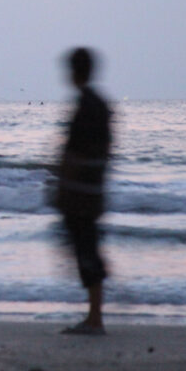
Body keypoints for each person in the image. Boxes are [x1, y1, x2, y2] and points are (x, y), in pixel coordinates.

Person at [54, 48, 111, 336]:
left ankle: (94, 319)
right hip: (94, 190)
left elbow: (73, 154)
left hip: (80, 194)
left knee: (86, 254)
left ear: (75, 72)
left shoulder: (85, 107)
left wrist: (62, 187)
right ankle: (94, 314)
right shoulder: (101, 105)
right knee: (89, 251)